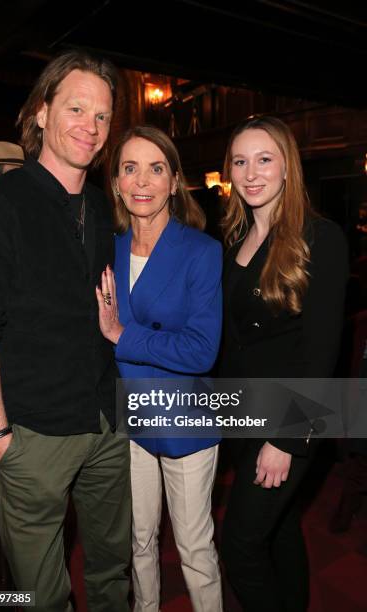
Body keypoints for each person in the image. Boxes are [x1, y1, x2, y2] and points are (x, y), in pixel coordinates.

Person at [0, 48, 131, 612]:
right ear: (41, 113)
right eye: (77, 108)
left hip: (106, 424)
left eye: (102, 116)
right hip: (33, 434)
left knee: (112, 572)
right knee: (38, 596)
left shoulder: (105, 207)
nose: (91, 126)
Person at [218, 115, 348, 612]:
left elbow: (321, 352)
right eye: (240, 161)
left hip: (290, 420)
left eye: (265, 159)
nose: (252, 173)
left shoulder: (320, 238)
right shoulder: (236, 241)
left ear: (288, 167)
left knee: (241, 546)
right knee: (280, 531)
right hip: (245, 415)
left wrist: (286, 439)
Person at [96, 125, 223, 612]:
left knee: (193, 549)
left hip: (185, 423)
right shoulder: (106, 251)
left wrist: (123, 336)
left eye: (156, 169)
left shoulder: (201, 252)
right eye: (130, 168)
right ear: (116, 183)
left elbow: (200, 351)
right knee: (140, 541)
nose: (141, 181)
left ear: (174, 181)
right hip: (130, 420)